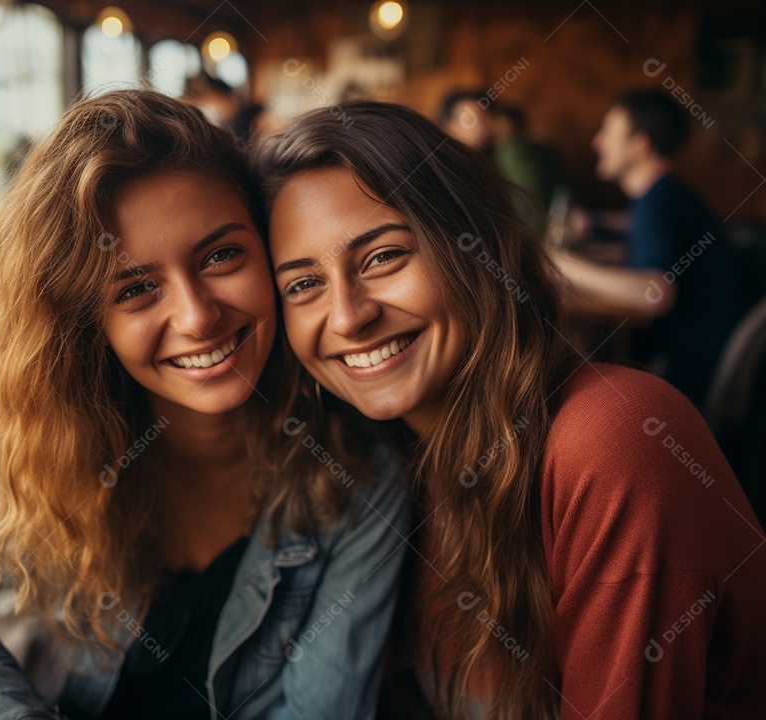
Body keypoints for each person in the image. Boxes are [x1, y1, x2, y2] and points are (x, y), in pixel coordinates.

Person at [0, 90, 407, 720]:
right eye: (137, 288)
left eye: (221, 256)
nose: (197, 318)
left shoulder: (357, 481)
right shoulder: (45, 448)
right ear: (85, 321)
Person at [256, 100, 766, 719]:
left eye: (384, 256)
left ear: (478, 250)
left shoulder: (613, 437)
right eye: (303, 284)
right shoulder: (374, 466)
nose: (347, 316)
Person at [552, 90, 748, 407]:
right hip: (705, 352)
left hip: (690, 369)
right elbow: (640, 243)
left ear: (640, 145)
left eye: (607, 132)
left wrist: (564, 265)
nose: (597, 142)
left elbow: (655, 294)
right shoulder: (664, 195)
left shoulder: (659, 203)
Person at [439, 91, 553, 238]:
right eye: (472, 119)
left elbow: (529, 208)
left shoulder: (505, 154)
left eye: (487, 116)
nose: (484, 125)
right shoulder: (444, 168)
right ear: (448, 126)